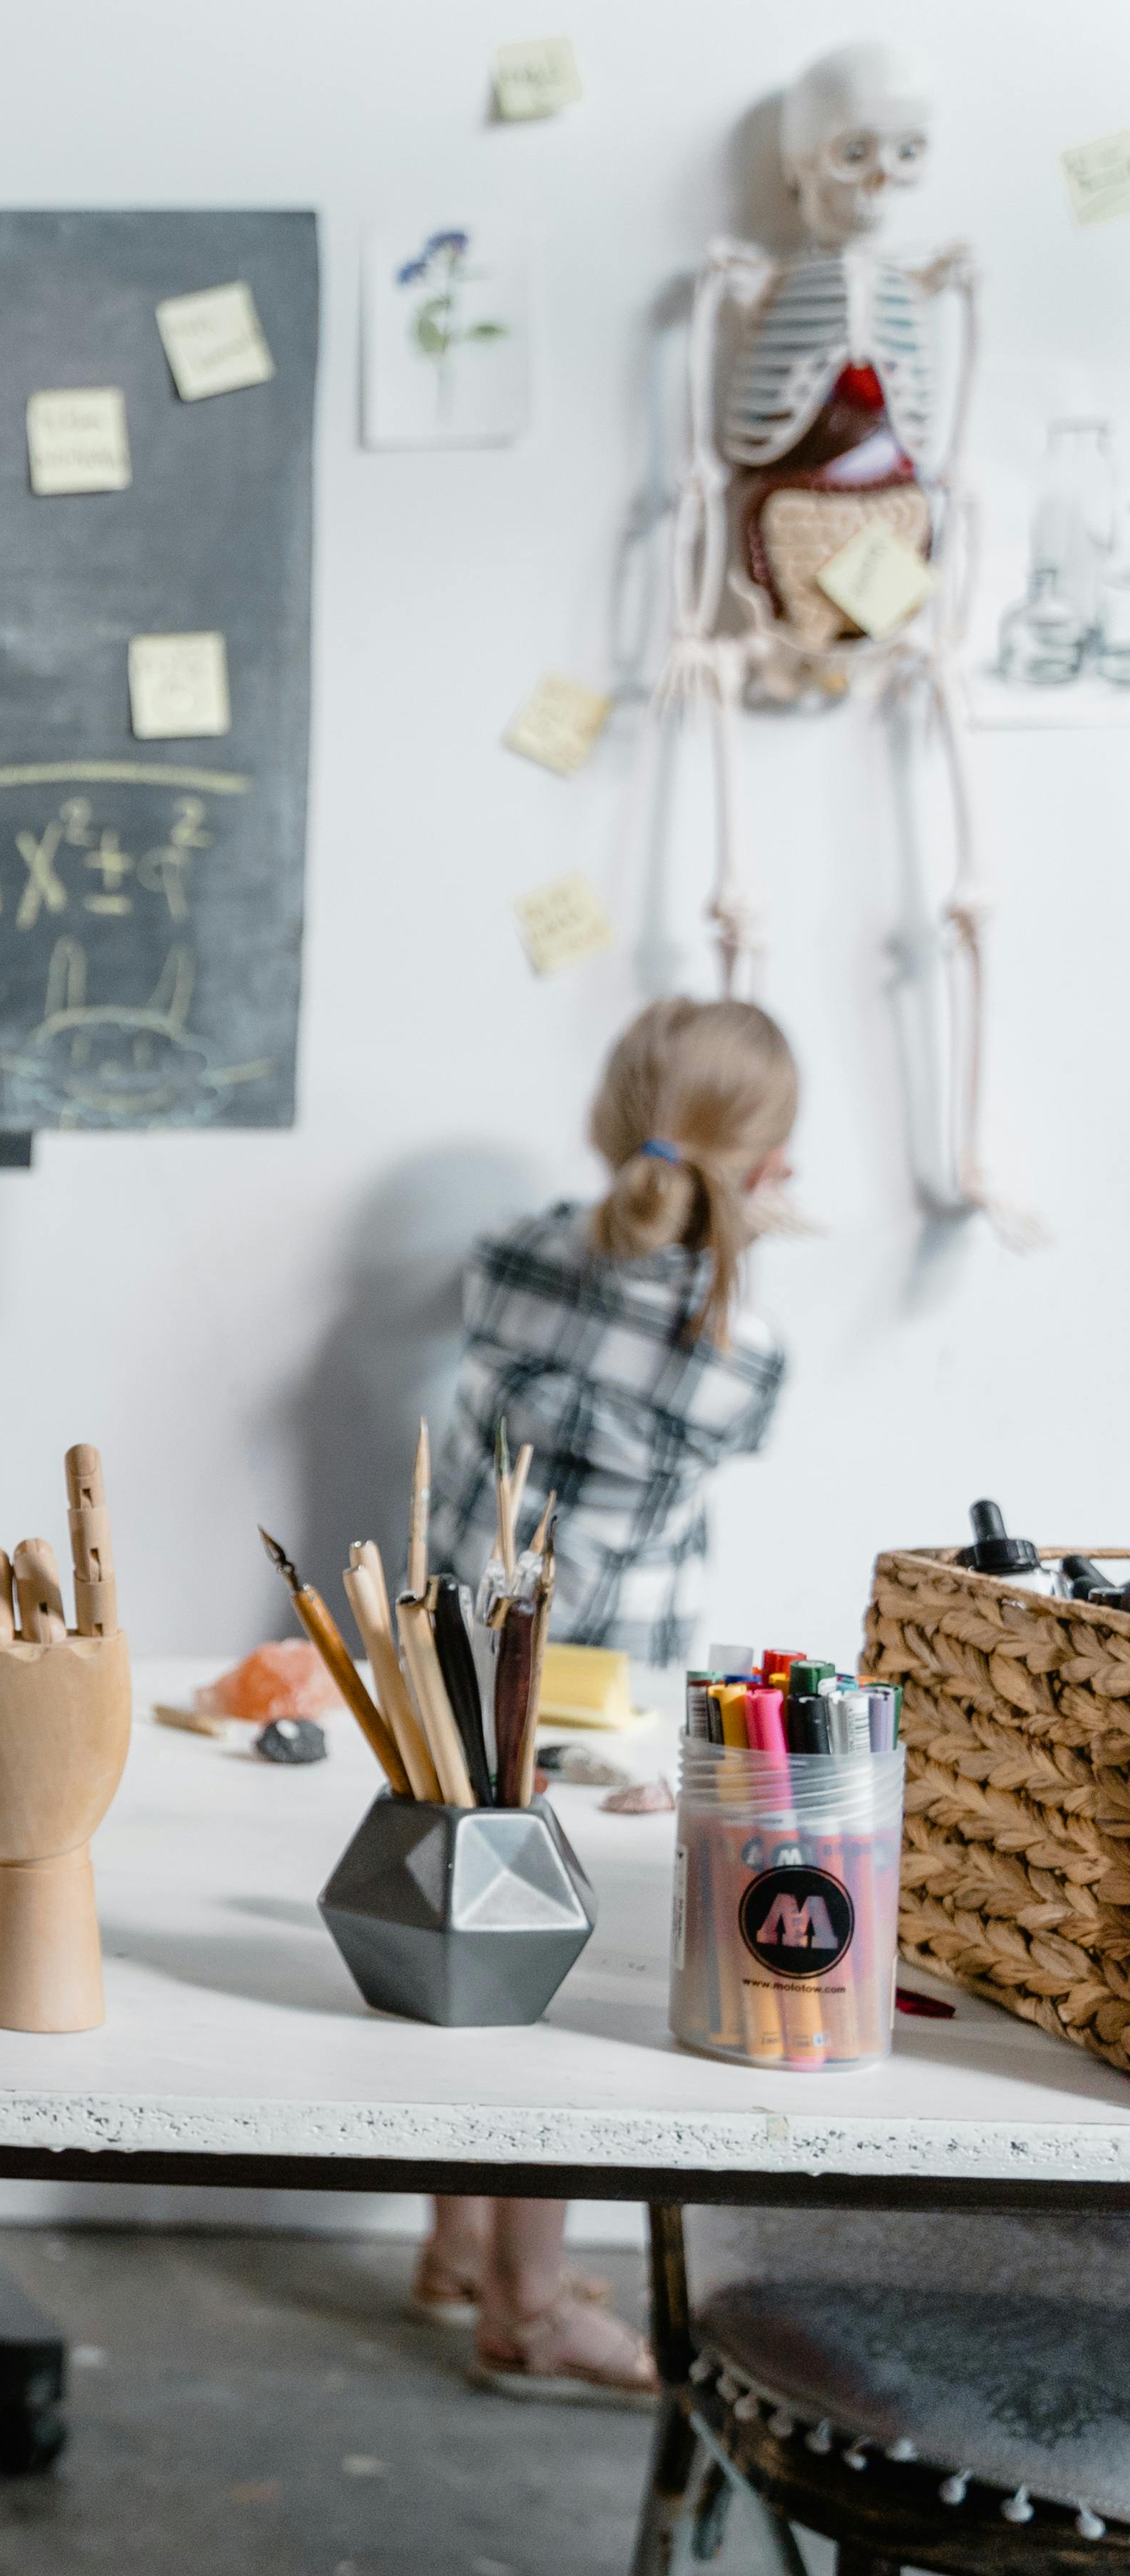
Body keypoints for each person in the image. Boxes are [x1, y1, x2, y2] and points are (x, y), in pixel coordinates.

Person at [413, 997, 798, 2402]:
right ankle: (526, 2299)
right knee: (550, 1977)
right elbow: (719, 1410)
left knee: (461, 1942)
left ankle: (458, 2241)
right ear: (762, 1166)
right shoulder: (736, 1344)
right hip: (593, 1699)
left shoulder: (508, 1252)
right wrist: (734, 1233)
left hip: (449, 1660)